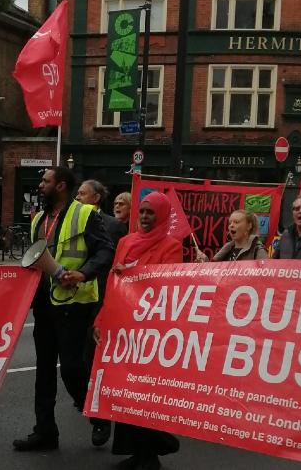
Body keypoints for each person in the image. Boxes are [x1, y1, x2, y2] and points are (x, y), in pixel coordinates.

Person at [13, 167, 114, 452]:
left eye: (45, 181)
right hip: (45, 303)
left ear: (60, 186)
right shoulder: (39, 220)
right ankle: (44, 431)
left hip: (76, 302)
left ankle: (97, 414)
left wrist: (83, 273)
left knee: (71, 368)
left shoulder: (85, 214)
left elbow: (106, 251)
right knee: (44, 371)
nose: (40, 184)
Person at [95, 191, 182, 470]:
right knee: (124, 389)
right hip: (123, 324)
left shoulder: (171, 246)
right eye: (142, 212)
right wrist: (101, 319)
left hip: (149, 327)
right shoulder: (125, 241)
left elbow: (166, 283)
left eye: (150, 213)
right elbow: (112, 283)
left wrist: (133, 274)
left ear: (161, 216)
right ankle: (136, 450)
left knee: (144, 391)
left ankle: (151, 451)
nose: (145, 217)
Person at [76, 179, 127, 446]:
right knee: (76, 364)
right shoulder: (69, 221)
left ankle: (102, 418)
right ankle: (92, 408)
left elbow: (117, 262)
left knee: (92, 361)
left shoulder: (114, 226)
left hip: (100, 299)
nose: (78, 197)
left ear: (96, 198)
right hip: (74, 301)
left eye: (82, 194)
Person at [194, 209, 266, 262]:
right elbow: (215, 274)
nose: (231, 225)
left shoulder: (258, 250)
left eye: (236, 222)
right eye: (230, 223)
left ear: (249, 226)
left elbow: (266, 275)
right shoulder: (226, 248)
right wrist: (204, 262)